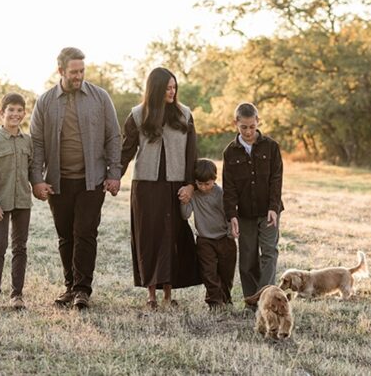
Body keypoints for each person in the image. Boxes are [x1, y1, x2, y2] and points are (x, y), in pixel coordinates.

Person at [30, 47, 121, 310]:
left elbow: (113, 137)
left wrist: (114, 173)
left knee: (85, 233)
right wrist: (37, 179)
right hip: (58, 181)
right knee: (65, 235)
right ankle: (69, 287)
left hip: (92, 180)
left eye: (82, 71)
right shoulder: (45, 102)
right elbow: (36, 144)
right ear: (61, 71)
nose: (79, 76)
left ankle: (83, 290)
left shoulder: (100, 98)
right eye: (74, 72)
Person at [121, 67, 201, 308]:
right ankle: (151, 295)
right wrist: (113, 177)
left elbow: (192, 154)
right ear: (155, 89)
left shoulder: (184, 114)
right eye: (167, 87)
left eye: (174, 87)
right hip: (146, 186)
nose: (172, 91)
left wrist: (190, 185)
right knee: (149, 237)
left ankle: (169, 294)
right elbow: (125, 152)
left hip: (176, 185)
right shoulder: (137, 115)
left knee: (172, 238)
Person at [222, 102, 284, 300]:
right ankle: (251, 302)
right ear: (236, 124)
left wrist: (273, 208)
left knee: (269, 253)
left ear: (258, 122)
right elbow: (229, 187)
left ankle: (265, 299)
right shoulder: (230, 152)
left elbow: (276, 179)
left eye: (252, 126)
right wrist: (231, 215)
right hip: (245, 214)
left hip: (269, 211)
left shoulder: (271, 147)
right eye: (244, 127)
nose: (248, 131)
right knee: (248, 259)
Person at [0, 93, 33, 310]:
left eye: (19, 110)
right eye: (11, 110)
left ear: (24, 113)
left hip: (22, 202)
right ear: (2, 113)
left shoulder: (28, 142)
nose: (15, 114)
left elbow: (33, 171)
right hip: (0, 204)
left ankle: (17, 295)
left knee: (20, 247)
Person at [181, 158, 237, 308]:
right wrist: (184, 201)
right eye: (200, 184)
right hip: (204, 240)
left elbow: (228, 215)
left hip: (224, 238)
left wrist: (230, 233)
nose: (204, 187)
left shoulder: (220, 194)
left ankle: (225, 300)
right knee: (208, 273)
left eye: (207, 184)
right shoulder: (194, 194)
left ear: (214, 180)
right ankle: (214, 302)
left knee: (226, 274)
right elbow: (185, 215)